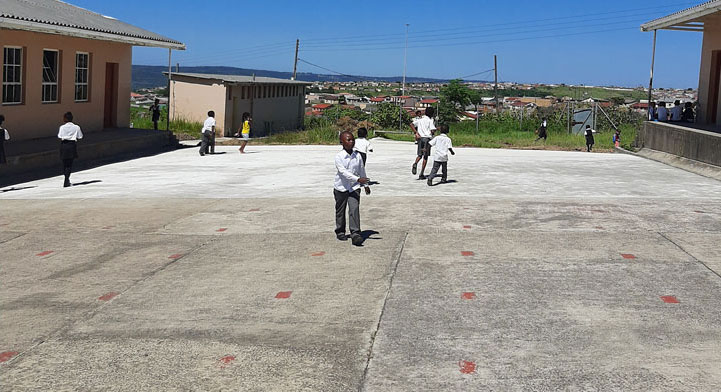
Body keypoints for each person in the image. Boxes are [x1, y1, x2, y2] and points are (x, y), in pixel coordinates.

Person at [334, 131, 371, 246]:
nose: (351, 142)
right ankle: (340, 231)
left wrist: (365, 185)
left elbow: (361, 170)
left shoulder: (358, 155)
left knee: (354, 209)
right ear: (342, 142)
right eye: (348, 140)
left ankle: (355, 233)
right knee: (340, 210)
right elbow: (343, 172)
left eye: (352, 140)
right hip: (341, 187)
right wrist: (357, 179)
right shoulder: (339, 157)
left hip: (354, 188)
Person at [409, 107, 436, 179]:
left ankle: (415, 163)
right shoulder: (430, 120)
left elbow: (411, 124)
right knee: (425, 157)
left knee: (420, 155)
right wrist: (434, 131)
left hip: (420, 139)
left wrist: (416, 133)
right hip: (427, 139)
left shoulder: (420, 120)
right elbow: (432, 130)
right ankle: (421, 173)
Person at [58, 112, 83, 187]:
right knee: (69, 164)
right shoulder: (76, 127)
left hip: (64, 145)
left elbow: (60, 136)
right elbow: (80, 136)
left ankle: (66, 178)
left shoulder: (62, 127)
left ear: (65, 119)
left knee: (64, 163)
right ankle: (66, 179)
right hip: (72, 145)